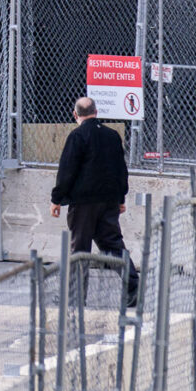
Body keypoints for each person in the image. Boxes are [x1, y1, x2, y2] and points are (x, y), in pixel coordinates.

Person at [49, 97, 140, 306]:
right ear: (96, 112)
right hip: (108, 200)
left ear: (75, 115)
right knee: (113, 245)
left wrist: (56, 199)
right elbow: (120, 169)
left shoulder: (77, 136)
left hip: (83, 203)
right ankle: (134, 288)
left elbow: (67, 170)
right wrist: (120, 197)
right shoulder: (112, 136)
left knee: (80, 250)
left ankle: (75, 297)